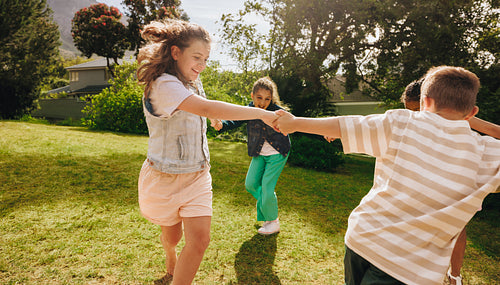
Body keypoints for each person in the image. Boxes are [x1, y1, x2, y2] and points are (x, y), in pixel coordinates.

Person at [274, 66, 500, 285]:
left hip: (362, 240)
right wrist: (465, 118)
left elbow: (345, 125)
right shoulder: (486, 153)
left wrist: (293, 123)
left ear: (424, 102)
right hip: (410, 270)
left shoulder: (401, 123)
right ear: (472, 112)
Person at [136, 19, 279, 285]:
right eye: (197, 57)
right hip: (164, 178)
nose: (201, 65)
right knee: (173, 237)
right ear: (176, 52)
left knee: (200, 240)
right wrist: (262, 114)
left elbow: (202, 108)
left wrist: (211, 120)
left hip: (198, 175)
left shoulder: (192, 79)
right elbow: (208, 107)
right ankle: (169, 253)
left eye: (206, 59)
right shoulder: (163, 84)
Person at [401, 77, 500, 285]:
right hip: (424, 176)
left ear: (428, 102)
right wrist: (339, 134)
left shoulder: (454, 115)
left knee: (456, 226)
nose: (416, 116)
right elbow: (371, 125)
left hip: (454, 172)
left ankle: (455, 275)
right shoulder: (411, 123)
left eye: (417, 110)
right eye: (411, 111)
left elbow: (496, 131)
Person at [212, 77, 291, 235]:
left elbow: (297, 124)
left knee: (268, 188)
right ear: (252, 95)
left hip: (278, 152)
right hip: (259, 152)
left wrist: (324, 133)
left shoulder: (276, 111)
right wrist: (221, 125)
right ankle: (267, 206)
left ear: (272, 99)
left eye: (267, 99)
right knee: (251, 184)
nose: (263, 103)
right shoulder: (249, 110)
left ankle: (273, 221)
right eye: (259, 98)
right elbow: (235, 121)